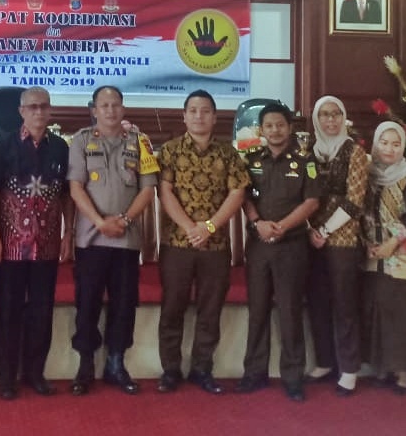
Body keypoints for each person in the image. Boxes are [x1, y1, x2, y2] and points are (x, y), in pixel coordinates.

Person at [155, 89, 248, 395]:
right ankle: (170, 370)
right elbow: (164, 192)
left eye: (205, 111)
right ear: (184, 116)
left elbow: (237, 193)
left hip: (215, 245)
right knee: (172, 308)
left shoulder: (229, 154)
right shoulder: (169, 151)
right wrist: (189, 227)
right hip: (177, 244)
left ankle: (202, 369)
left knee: (210, 310)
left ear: (215, 117)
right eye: (193, 111)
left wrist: (208, 227)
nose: (199, 116)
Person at [67, 85, 158, 396]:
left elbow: (148, 189)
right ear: (94, 110)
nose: (110, 110)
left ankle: (116, 364)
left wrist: (125, 221)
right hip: (91, 239)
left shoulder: (140, 142)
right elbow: (76, 188)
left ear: (123, 108)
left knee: (124, 304)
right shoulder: (80, 140)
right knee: (87, 303)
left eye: (115, 104)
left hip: (126, 239)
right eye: (104, 105)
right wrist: (99, 222)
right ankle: (85, 365)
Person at [0, 86, 72, 400]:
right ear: (21, 111)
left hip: (47, 245)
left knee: (41, 311)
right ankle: (7, 377)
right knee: (8, 311)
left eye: (44, 106)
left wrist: (68, 233)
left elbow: (67, 194)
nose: (39, 112)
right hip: (11, 245)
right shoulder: (3, 146)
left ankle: (35, 373)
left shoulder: (60, 147)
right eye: (32, 107)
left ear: (50, 110)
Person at [236, 102, 320, 403]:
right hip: (259, 245)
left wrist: (282, 226)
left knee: (290, 312)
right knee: (257, 311)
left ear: (289, 127)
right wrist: (257, 223)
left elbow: (312, 202)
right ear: (262, 129)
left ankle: (293, 377)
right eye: (269, 126)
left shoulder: (305, 160)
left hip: (291, 246)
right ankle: (253, 373)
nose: (275, 130)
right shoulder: (252, 160)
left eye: (280, 125)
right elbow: (244, 197)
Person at [305, 95, 368, 397]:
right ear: (316, 119)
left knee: (345, 304)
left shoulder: (354, 152)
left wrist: (325, 230)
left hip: (343, 238)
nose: (331, 120)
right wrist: (310, 228)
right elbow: (303, 194)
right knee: (318, 301)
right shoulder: (309, 152)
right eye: (325, 115)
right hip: (312, 238)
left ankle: (349, 368)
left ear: (343, 118)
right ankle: (325, 361)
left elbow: (355, 200)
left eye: (336, 114)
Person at [360, 121, 406, 395]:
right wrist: (366, 243)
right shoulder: (368, 174)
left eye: (396, 144)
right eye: (384, 143)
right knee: (377, 311)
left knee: (403, 314)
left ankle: (404, 373)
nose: (389, 149)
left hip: (404, 255)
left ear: (403, 147)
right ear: (376, 144)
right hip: (372, 254)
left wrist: (391, 243)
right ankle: (382, 367)